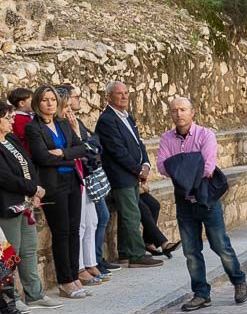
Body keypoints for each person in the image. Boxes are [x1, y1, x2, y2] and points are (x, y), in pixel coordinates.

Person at [157, 96, 247, 311]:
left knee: (220, 245)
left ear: (192, 112)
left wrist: (179, 167)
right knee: (191, 250)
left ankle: (239, 281)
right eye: (174, 110)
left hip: (207, 199)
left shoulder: (206, 135)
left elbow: (208, 167)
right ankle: (201, 293)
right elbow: (161, 166)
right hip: (184, 201)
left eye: (183, 109)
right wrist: (192, 162)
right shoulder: (166, 138)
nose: (178, 114)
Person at [25, 86, 92, 299]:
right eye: (45, 100)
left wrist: (63, 153)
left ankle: (74, 276)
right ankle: (65, 281)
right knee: (61, 232)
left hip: (72, 180)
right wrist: (70, 156)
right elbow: (42, 158)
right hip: (53, 185)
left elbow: (82, 148)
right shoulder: (33, 128)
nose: (50, 103)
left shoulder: (63, 123)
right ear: (38, 103)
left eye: (53, 99)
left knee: (74, 231)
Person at [95, 80, 163, 268]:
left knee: (129, 214)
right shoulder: (107, 120)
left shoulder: (127, 117)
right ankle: (135, 254)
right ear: (109, 97)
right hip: (120, 175)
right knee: (131, 214)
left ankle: (125, 252)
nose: (124, 96)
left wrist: (146, 164)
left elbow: (138, 143)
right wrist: (137, 169)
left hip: (132, 173)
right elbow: (117, 150)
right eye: (119, 93)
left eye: (126, 93)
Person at [0, 103, 58, 313]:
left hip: (25, 203)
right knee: (10, 254)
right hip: (8, 205)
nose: (12, 120)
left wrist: (34, 191)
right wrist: (33, 188)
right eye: (7, 117)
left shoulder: (12, 140)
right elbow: (5, 177)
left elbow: (28, 166)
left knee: (29, 249)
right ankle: (11, 298)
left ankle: (35, 293)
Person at [57, 85, 108, 286]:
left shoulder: (75, 123)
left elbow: (93, 145)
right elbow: (80, 148)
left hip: (84, 175)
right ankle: (78, 267)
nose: (70, 110)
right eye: (67, 105)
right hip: (74, 176)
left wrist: (81, 139)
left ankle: (90, 263)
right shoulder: (61, 125)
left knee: (92, 221)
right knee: (79, 226)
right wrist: (81, 143)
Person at [7, 88, 33, 152]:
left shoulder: (28, 116)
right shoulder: (18, 119)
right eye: (31, 101)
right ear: (22, 103)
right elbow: (23, 135)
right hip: (27, 151)